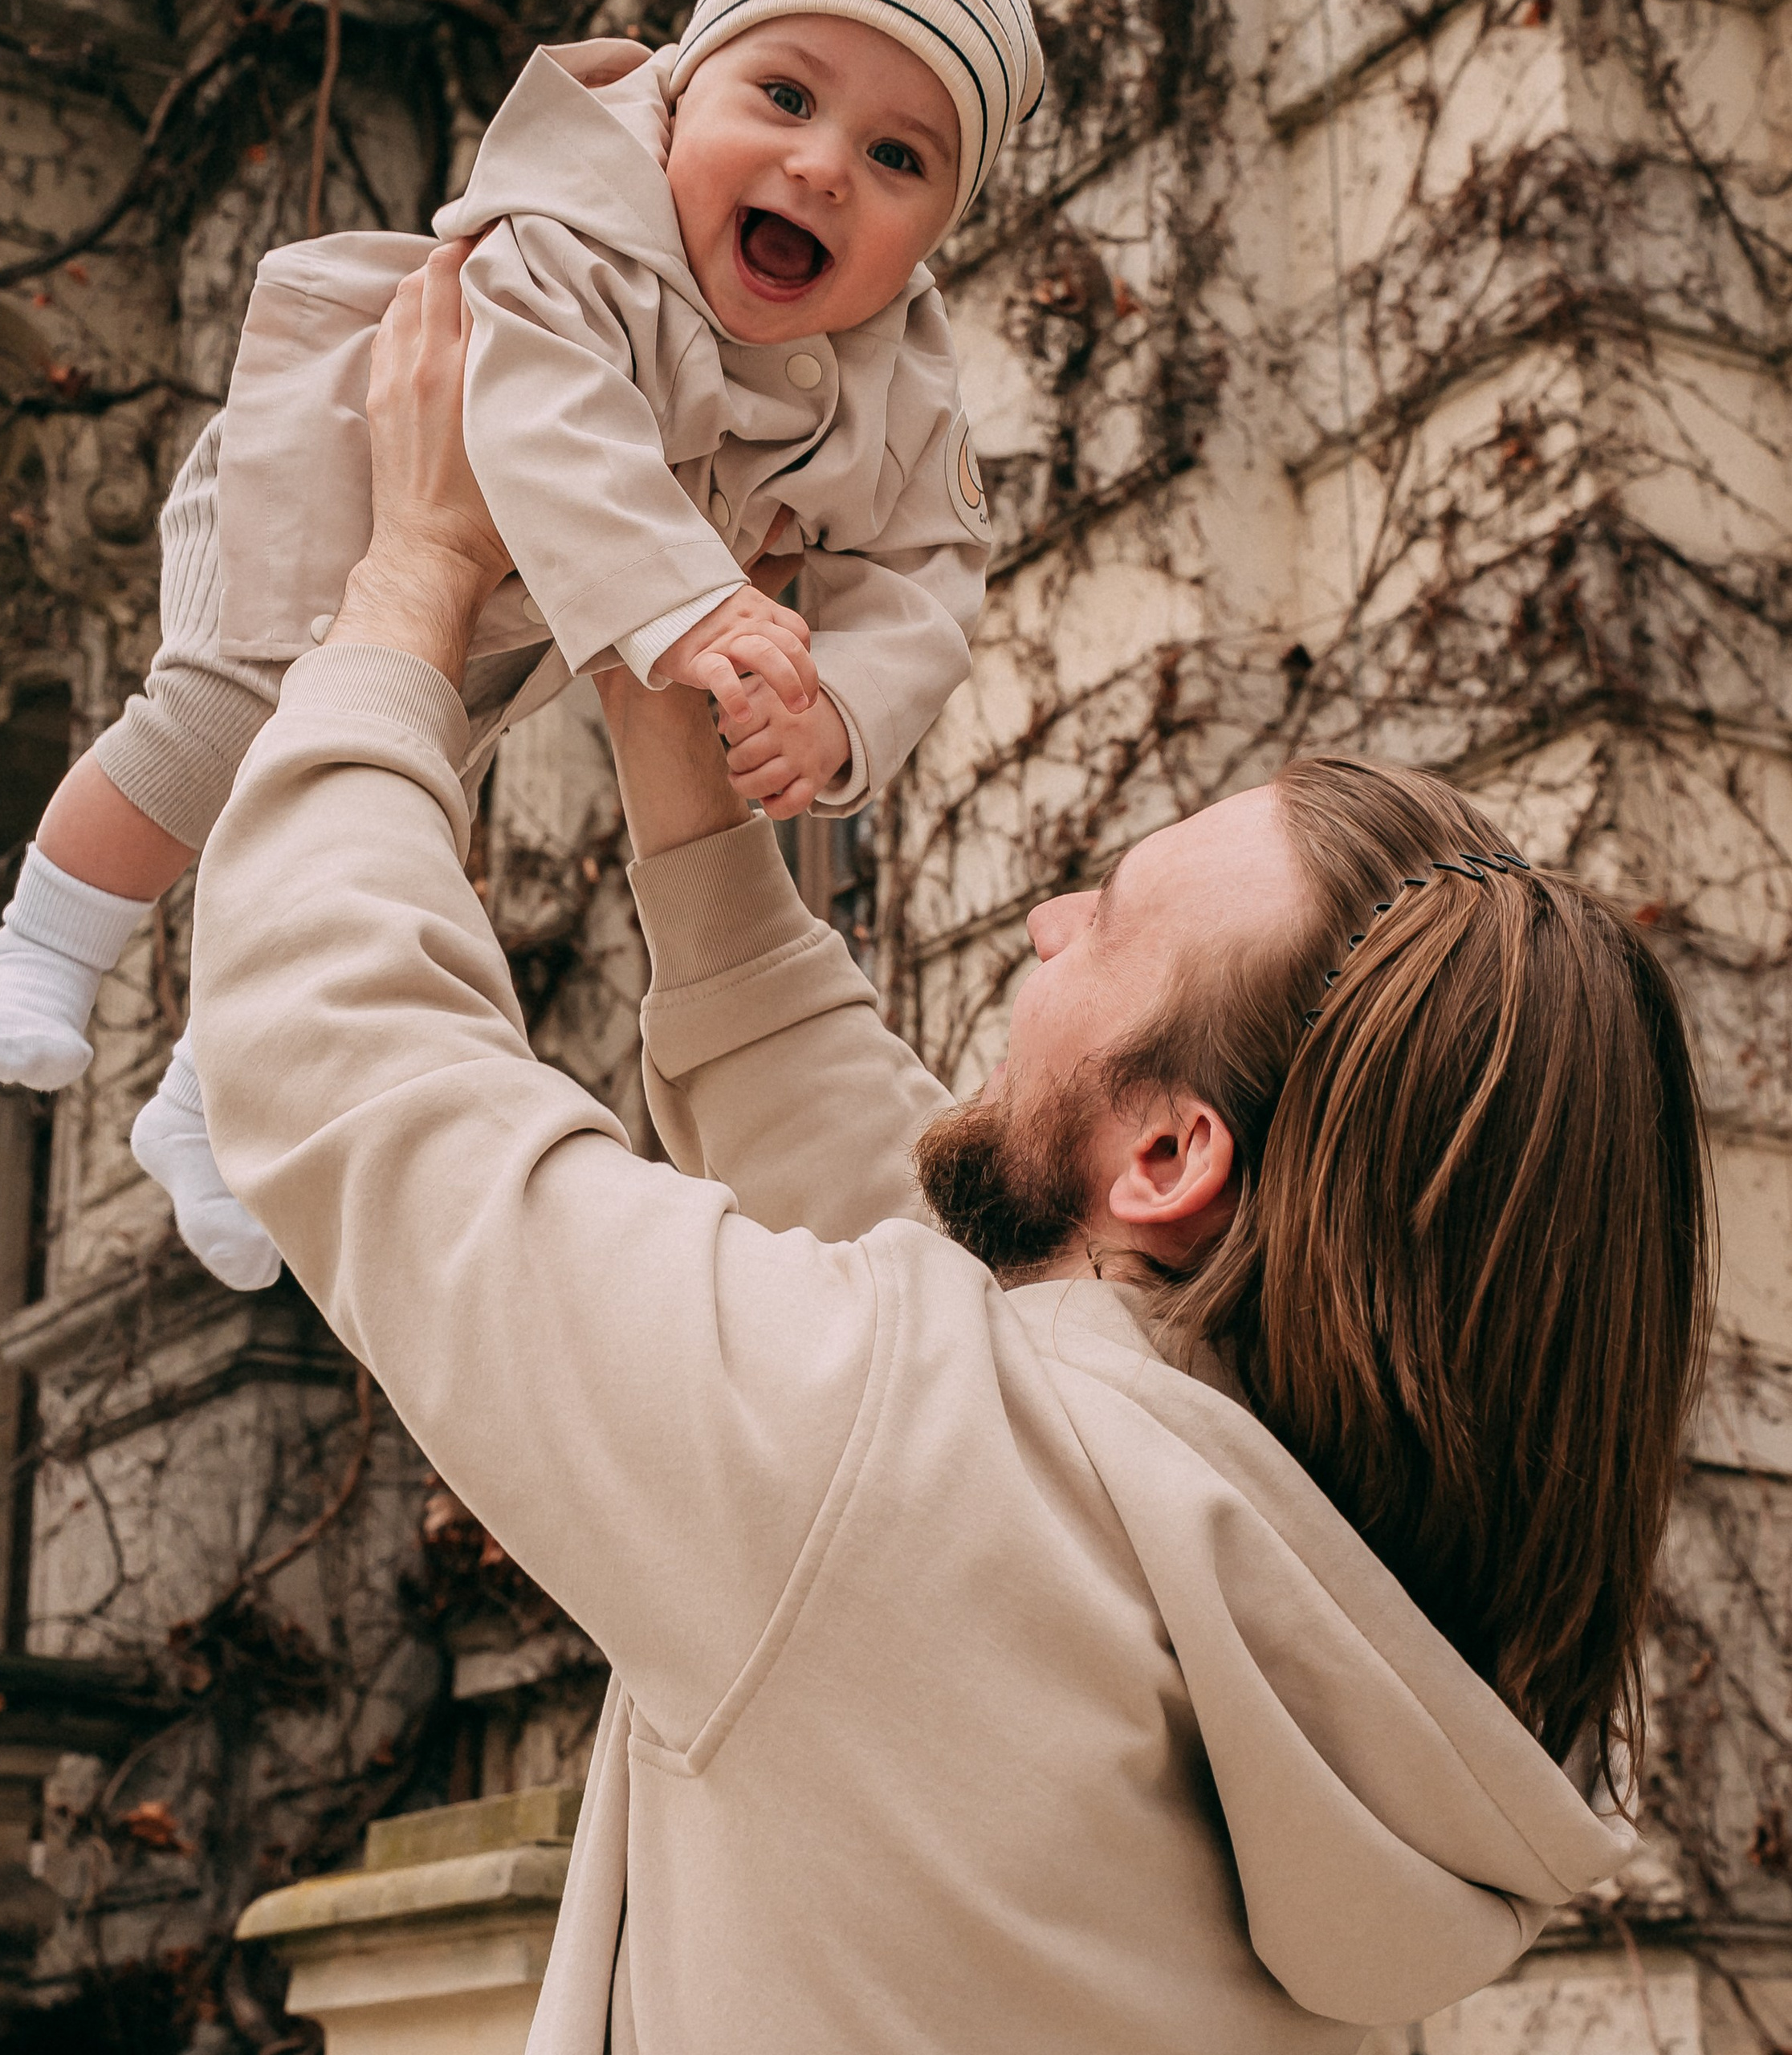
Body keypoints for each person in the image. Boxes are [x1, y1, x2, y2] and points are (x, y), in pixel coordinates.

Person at [189, 247, 1712, 2052]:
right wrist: (656, 676)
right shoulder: (1320, 1591)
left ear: (1164, 1157)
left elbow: (349, 1062)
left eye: (1114, 921)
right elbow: (925, 1279)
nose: (1052, 913)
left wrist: (415, 571)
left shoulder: (898, 1478)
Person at [0, 0, 1037, 1290]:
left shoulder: (898, 375)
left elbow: (926, 572)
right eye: (788, 100)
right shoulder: (580, 218)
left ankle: (213, 1106)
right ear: (682, 94)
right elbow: (541, 415)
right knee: (223, 721)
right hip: (334, 485)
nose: (822, 168)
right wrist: (693, 603)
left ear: (939, 233)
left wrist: (840, 711)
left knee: (389, 820)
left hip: (507, 608)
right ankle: (48, 943)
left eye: (898, 159)